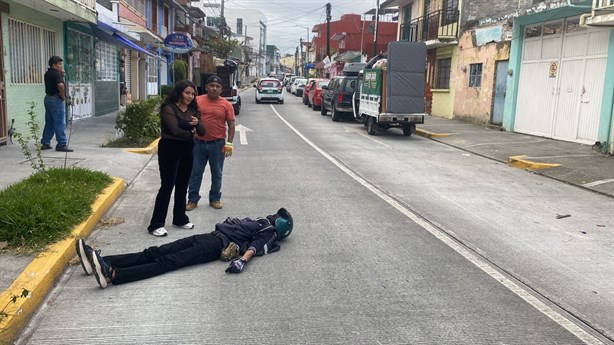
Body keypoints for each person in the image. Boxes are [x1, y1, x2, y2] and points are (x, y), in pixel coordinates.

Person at [76, 208, 293, 288]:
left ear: (280, 225)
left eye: (279, 216)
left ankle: (113, 275)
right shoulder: (257, 219)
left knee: (165, 262)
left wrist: (242, 261)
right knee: (156, 252)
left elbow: (255, 247)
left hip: (215, 245)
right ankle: (101, 261)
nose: (275, 215)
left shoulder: (269, 231)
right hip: (209, 236)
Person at [147, 80, 205, 237]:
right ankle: (156, 223)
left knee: (182, 185)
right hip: (169, 149)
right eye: (187, 93)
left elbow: (202, 131)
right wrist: (191, 132)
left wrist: (197, 123)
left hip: (187, 150)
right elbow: (174, 130)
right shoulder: (168, 108)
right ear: (179, 92)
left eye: (193, 94)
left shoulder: (193, 109)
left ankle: (179, 218)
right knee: (167, 185)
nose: (190, 96)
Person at [186, 75, 235, 211]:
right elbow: (187, 116)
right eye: (211, 85)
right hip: (198, 144)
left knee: (217, 173)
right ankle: (192, 199)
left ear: (221, 89)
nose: (214, 88)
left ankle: (215, 199)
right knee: (195, 172)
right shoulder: (196, 101)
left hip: (218, 144)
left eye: (217, 86)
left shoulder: (226, 104)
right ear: (206, 87)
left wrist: (229, 143)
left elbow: (231, 124)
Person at [41, 55, 73, 152]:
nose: (61, 66)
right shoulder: (56, 74)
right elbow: (60, 85)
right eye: (59, 64)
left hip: (48, 98)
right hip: (56, 98)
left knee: (49, 121)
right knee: (59, 122)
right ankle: (61, 144)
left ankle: (45, 142)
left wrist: (61, 75)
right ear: (53, 65)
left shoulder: (47, 74)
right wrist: (63, 96)